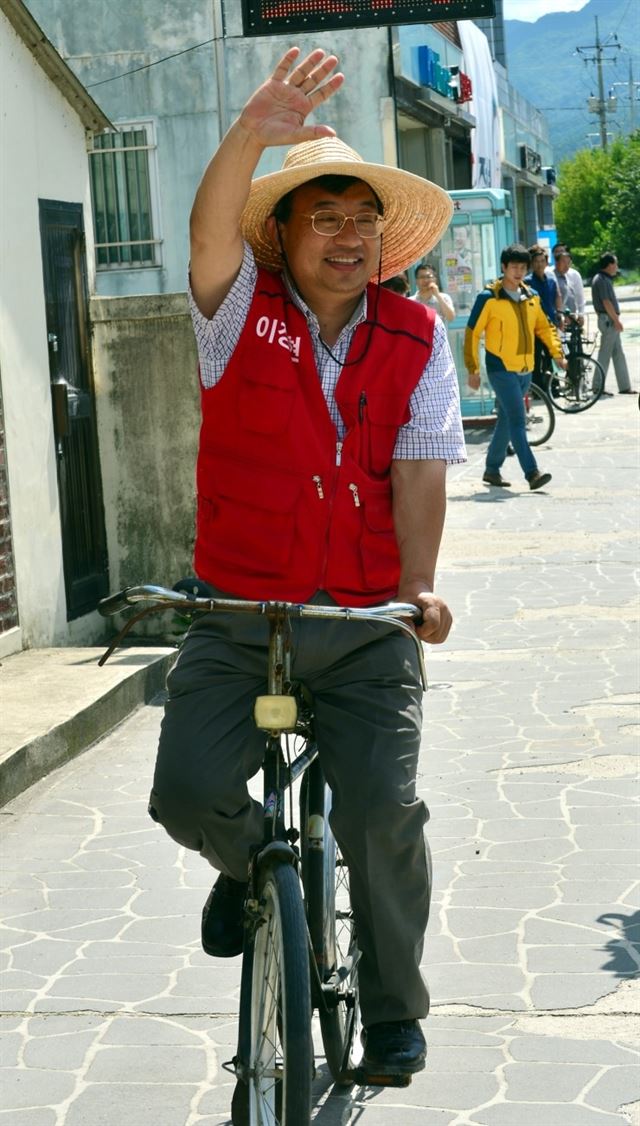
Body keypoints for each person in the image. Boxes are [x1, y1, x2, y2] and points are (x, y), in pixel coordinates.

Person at [148, 46, 466, 1084]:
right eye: (323, 216)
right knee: (187, 788)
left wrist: (417, 591)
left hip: (366, 621)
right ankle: (255, 869)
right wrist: (249, 131)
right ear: (280, 232)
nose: (348, 234)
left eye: (362, 218)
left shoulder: (417, 338)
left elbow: (420, 472)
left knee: (382, 813)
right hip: (240, 614)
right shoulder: (236, 316)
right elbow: (202, 232)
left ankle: (392, 1011)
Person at [464, 243, 567, 491]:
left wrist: (557, 354)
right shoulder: (488, 298)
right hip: (500, 368)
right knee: (518, 420)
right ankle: (532, 472)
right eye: (514, 267)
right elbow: (472, 333)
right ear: (504, 267)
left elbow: (544, 327)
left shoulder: (531, 297)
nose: (518, 271)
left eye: (523, 267)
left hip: (525, 368)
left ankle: (491, 469)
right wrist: (473, 368)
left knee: (507, 420)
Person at [591, 252, 634, 395]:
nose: (617, 267)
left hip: (608, 319)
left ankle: (625, 386)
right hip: (609, 320)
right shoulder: (601, 280)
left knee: (618, 353)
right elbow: (606, 302)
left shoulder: (604, 279)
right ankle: (597, 386)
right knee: (605, 353)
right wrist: (616, 320)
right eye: (615, 263)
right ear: (609, 265)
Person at [525, 244, 562, 389]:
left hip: (550, 323)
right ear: (531, 264)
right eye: (536, 261)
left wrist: (559, 316)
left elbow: (556, 299)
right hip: (534, 327)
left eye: (542, 261)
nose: (539, 264)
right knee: (535, 357)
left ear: (546, 262)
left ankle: (553, 385)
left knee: (551, 355)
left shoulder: (551, 281)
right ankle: (537, 388)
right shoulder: (527, 281)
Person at [549, 244, 585, 325]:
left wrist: (581, 314)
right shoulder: (549, 273)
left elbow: (580, 296)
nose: (559, 254)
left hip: (571, 317)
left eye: (561, 251)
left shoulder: (574, 274)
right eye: (556, 252)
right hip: (556, 318)